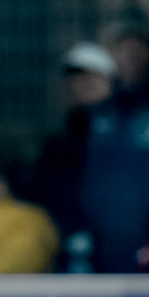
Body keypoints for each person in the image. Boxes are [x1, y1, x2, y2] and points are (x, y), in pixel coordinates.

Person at [79, 9, 149, 272]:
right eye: (121, 46)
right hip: (104, 238)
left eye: (137, 45)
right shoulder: (98, 107)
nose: (129, 53)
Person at [29, 42, 116, 272]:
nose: (82, 85)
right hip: (68, 244)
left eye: (92, 78)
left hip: (119, 245)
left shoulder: (131, 138)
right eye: (76, 78)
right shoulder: (59, 142)